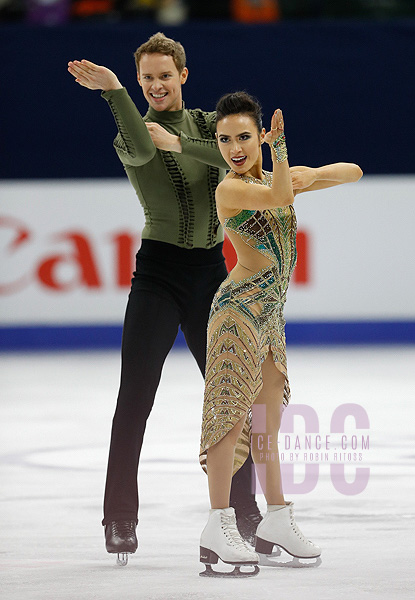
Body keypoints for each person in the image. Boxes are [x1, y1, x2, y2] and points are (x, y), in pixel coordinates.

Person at [67, 33, 260, 565]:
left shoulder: (204, 125)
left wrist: (189, 145)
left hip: (211, 274)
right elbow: (149, 147)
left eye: (164, 76)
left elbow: (239, 159)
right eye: (145, 78)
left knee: (230, 398)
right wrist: (111, 91)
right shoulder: (131, 132)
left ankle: (246, 513)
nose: (155, 85)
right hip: (158, 274)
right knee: (134, 399)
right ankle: (119, 518)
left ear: (182, 76)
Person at [198, 91, 362, 577]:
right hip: (237, 314)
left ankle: (276, 518)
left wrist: (304, 173)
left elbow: (349, 170)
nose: (235, 147)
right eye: (225, 140)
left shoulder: (274, 179)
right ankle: (217, 522)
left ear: (257, 135)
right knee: (229, 417)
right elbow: (280, 197)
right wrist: (282, 152)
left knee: (268, 420)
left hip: (270, 318)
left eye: (244, 136)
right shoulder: (231, 190)